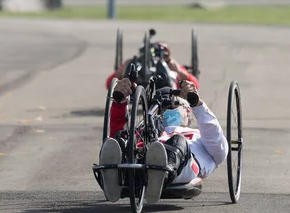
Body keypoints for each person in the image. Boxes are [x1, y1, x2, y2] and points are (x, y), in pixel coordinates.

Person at [98, 78, 228, 205]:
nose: (166, 111)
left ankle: (161, 174)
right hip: (142, 161)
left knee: (177, 141)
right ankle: (116, 174)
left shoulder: (199, 135)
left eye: (174, 105)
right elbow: (119, 133)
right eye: (162, 110)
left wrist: (197, 104)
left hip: (183, 166)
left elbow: (216, 139)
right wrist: (119, 102)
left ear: (188, 111)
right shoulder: (148, 132)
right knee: (122, 141)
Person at [105, 41, 200, 91]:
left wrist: (179, 71)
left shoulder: (173, 65)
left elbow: (195, 85)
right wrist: (123, 70)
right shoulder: (134, 64)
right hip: (137, 87)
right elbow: (109, 84)